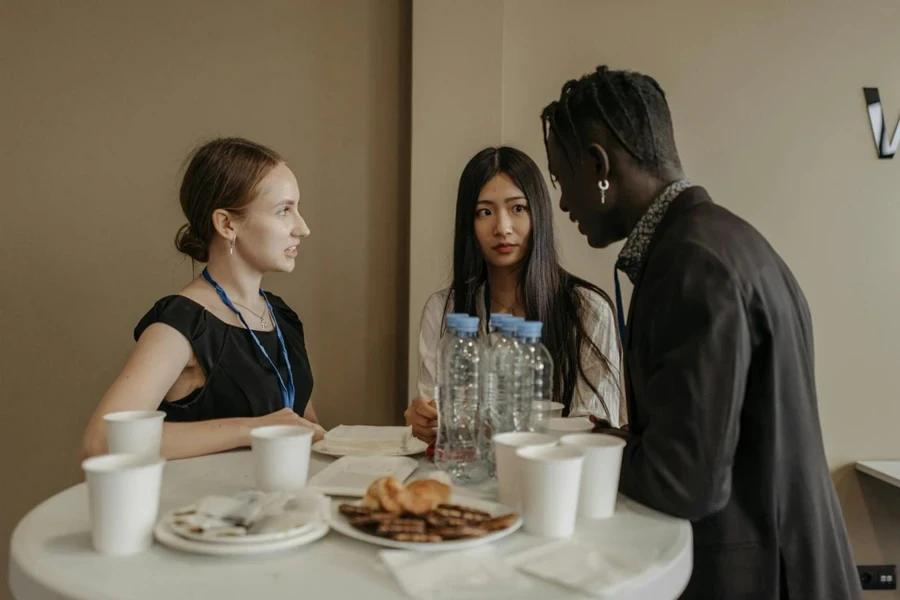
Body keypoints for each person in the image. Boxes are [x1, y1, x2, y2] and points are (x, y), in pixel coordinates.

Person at [541, 65, 861, 599]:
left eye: (559, 177)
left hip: (763, 578)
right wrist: (614, 438)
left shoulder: (692, 265)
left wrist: (571, 457)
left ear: (598, 166)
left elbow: (682, 481)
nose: (563, 202)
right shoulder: (726, 241)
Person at [81, 137, 323, 460]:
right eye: (284, 211)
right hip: (202, 508)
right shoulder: (183, 324)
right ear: (226, 224)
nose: (302, 228)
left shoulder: (282, 317)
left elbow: (307, 430)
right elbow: (100, 442)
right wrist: (253, 429)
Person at [404, 146, 624, 443]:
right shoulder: (445, 309)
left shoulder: (587, 309)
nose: (502, 228)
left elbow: (594, 428)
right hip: (467, 479)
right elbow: (440, 420)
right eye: (485, 212)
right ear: (468, 224)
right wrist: (425, 421)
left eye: (517, 208)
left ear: (538, 214)